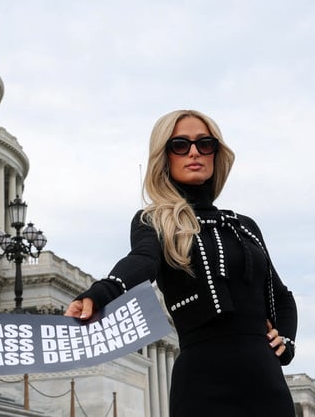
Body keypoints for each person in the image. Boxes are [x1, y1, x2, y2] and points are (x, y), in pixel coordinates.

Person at [65, 109, 297, 416]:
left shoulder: (245, 226)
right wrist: (101, 292)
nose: (194, 153)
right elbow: (143, 261)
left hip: (266, 382)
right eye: (180, 145)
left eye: (205, 144)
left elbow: (282, 297)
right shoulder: (154, 220)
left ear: (217, 153)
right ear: (165, 156)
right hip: (201, 382)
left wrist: (286, 340)